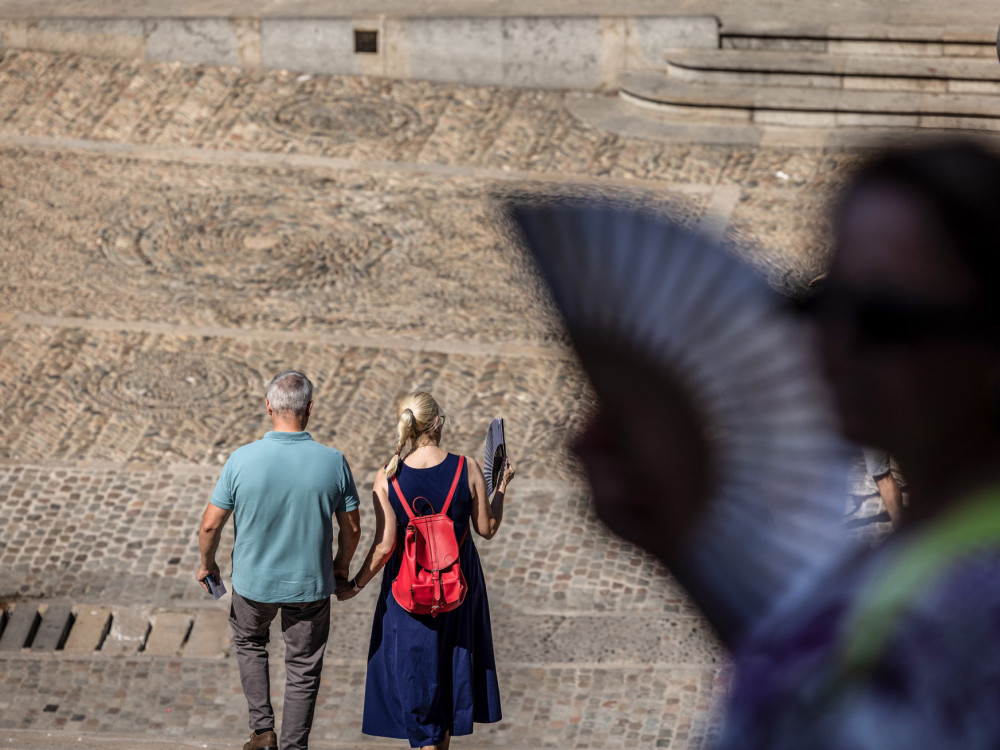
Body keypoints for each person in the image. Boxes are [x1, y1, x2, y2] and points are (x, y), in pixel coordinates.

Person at [575, 137, 1000, 748]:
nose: (835, 343)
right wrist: (678, 539)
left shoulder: (975, 604)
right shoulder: (934, 530)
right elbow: (816, 688)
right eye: (821, 303)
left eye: (886, 320)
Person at [196, 370, 361, 750]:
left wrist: (208, 565)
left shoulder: (241, 460)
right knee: (303, 667)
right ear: (310, 409)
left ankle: (262, 730)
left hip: (254, 585)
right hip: (311, 585)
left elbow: (209, 527)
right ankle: (293, 746)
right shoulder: (333, 462)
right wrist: (340, 568)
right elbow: (351, 529)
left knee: (250, 642)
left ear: (269, 406)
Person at [340, 391, 513, 749]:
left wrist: (355, 584)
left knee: (417, 687)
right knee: (450, 681)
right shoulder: (465, 468)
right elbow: (488, 528)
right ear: (437, 424)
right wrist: (501, 488)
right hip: (458, 591)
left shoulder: (387, 478)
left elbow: (385, 546)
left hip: (409, 596)